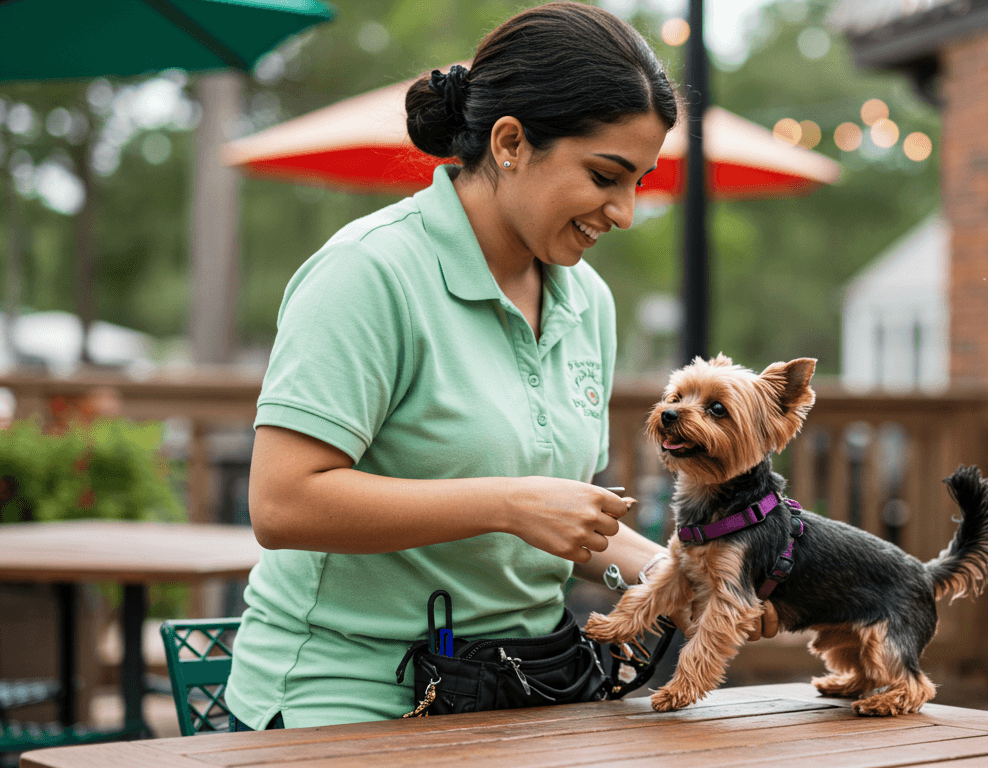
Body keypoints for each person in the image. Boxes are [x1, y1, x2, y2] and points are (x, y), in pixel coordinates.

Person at [226, 2, 775, 731]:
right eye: (606, 175)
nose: (624, 212)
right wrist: (506, 504)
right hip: (349, 696)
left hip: (528, 686)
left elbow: (563, 515)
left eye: (638, 181)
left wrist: (677, 576)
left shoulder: (587, 299)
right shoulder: (368, 274)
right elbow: (282, 504)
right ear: (510, 142)